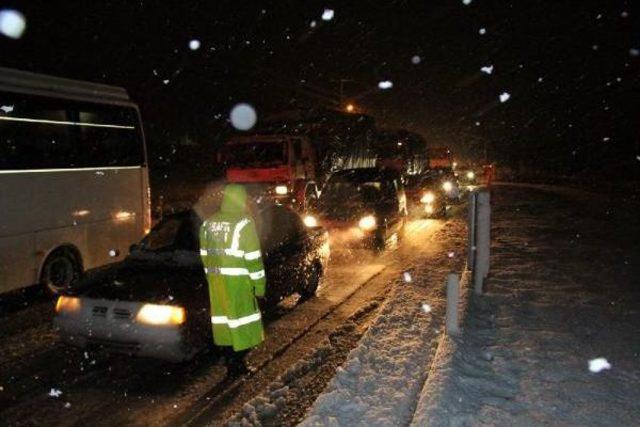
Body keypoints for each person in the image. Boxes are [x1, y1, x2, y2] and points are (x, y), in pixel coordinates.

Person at [199, 184, 266, 374]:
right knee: (243, 324)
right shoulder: (244, 223)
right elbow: (253, 259)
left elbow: (204, 254)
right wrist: (259, 286)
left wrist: (211, 276)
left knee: (225, 324)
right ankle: (238, 363)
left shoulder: (209, 223)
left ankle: (230, 361)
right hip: (239, 284)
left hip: (217, 282)